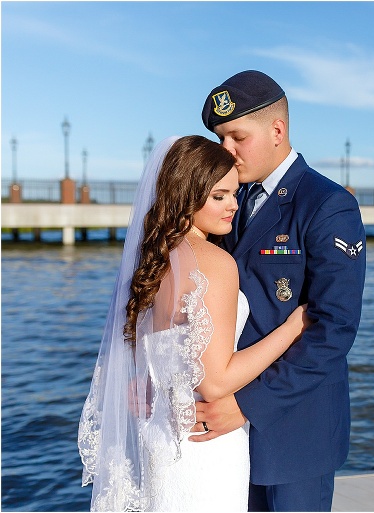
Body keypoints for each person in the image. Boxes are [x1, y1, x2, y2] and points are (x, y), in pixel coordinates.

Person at [77, 135, 310, 511]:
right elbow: (214, 381)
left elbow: (152, 357)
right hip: (206, 445)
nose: (233, 205)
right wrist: (292, 328)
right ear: (187, 194)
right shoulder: (215, 264)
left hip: (161, 436)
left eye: (235, 194)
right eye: (219, 196)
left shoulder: (153, 260)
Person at [194, 71, 366, 511]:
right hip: (224, 427)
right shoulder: (223, 201)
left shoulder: (327, 205)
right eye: (219, 139)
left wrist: (247, 405)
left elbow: (332, 330)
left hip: (295, 429)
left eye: (236, 136)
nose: (226, 150)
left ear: (277, 130)